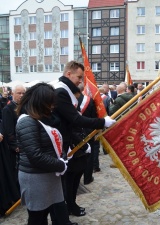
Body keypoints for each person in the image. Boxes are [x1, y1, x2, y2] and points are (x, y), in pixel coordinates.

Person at [53, 60, 115, 218]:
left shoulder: (66, 90)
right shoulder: (61, 91)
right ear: (68, 74)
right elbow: (74, 119)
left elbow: (72, 122)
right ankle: (66, 210)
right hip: (63, 144)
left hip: (72, 141)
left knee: (75, 177)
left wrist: (81, 142)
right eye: (79, 77)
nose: (81, 80)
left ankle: (72, 205)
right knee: (67, 181)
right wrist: (102, 122)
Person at [15, 83, 68, 225]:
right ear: (41, 101)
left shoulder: (38, 118)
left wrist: (62, 156)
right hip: (35, 177)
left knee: (45, 212)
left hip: (46, 173)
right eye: (50, 103)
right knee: (37, 217)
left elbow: (50, 144)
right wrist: (60, 164)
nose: (52, 106)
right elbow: (35, 155)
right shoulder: (27, 122)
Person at [2, 84, 26, 181]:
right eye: (19, 93)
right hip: (15, 148)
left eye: (23, 93)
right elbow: (8, 130)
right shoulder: (8, 109)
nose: (21, 95)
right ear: (12, 94)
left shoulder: (25, 107)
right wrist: (15, 145)